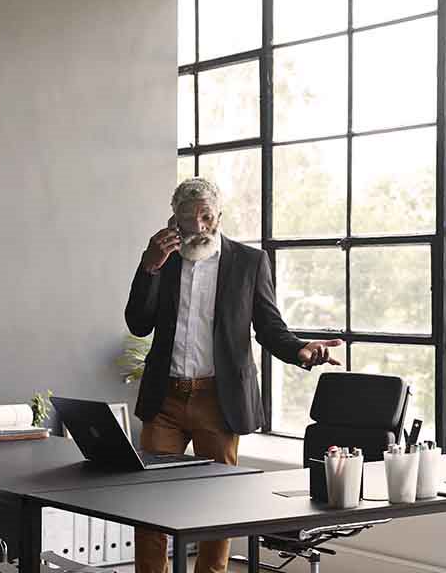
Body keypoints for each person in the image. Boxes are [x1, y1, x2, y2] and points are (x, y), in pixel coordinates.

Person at [125, 177, 341, 573]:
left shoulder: (248, 261)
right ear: (175, 220)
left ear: (218, 216)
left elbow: (269, 327)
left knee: (216, 506)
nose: (200, 226)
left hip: (217, 401)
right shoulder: (162, 259)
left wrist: (301, 351)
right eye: (189, 218)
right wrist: (148, 269)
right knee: (148, 502)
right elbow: (138, 324)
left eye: (207, 216)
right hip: (165, 400)